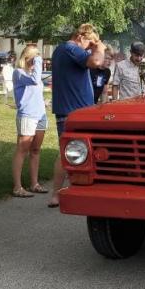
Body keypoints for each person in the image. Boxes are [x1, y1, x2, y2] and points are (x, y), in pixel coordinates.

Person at [48, 23, 105, 207]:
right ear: (81, 37)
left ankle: (74, 189)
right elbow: (96, 62)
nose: (90, 49)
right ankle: (56, 194)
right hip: (72, 113)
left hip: (78, 111)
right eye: (89, 44)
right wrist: (100, 48)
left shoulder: (64, 50)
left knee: (80, 152)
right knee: (66, 153)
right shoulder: (70, 48)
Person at [12, 45, 48, 198]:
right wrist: (39, 61)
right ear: (26, 58)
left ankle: (34, 183)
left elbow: (35, 89)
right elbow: (34, 81)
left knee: (35, 150)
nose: (36, 61)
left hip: (40, 115)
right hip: (27, 115)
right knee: (22, 150)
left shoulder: (35, 73)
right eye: (34, 58)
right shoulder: (19, 73)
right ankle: (17, 187)